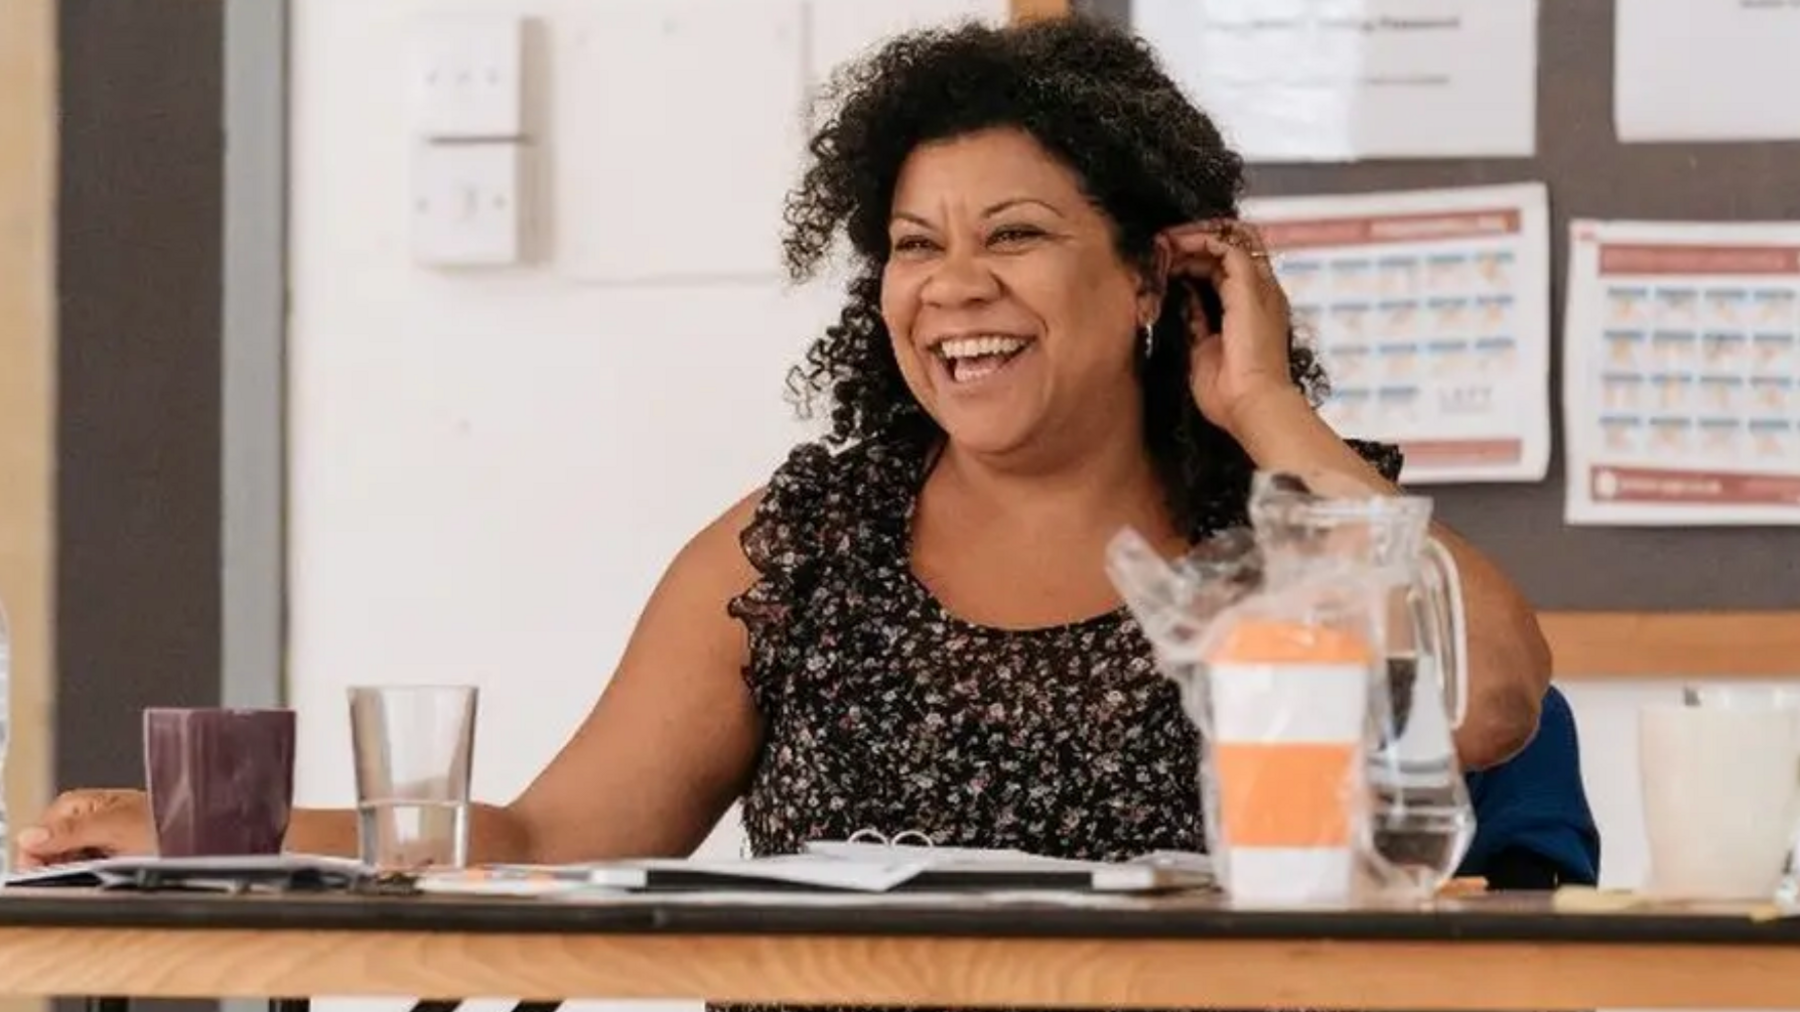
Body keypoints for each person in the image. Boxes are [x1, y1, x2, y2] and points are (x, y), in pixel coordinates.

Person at [15, 16, 1551, 879]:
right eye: (912, 245)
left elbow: (1488, 703)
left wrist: (1273, 417)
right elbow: (551, 837)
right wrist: (201, 831)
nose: (954, 287)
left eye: (1017, 236)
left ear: (1155, 276)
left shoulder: (1281, 531)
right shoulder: (801, 545)